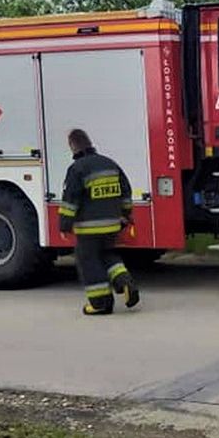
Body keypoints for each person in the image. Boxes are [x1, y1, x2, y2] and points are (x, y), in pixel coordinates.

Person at [58, 129, 139, 316]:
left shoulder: (77, 169)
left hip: (88, 228)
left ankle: (100, 303)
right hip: (112, 224)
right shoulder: (109, 163)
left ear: (72, 146)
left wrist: (64, 225)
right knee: (108, 255)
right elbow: (126, 191)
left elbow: (71, 200)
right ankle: (125, 282)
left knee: (89, 261)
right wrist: (126, 214)